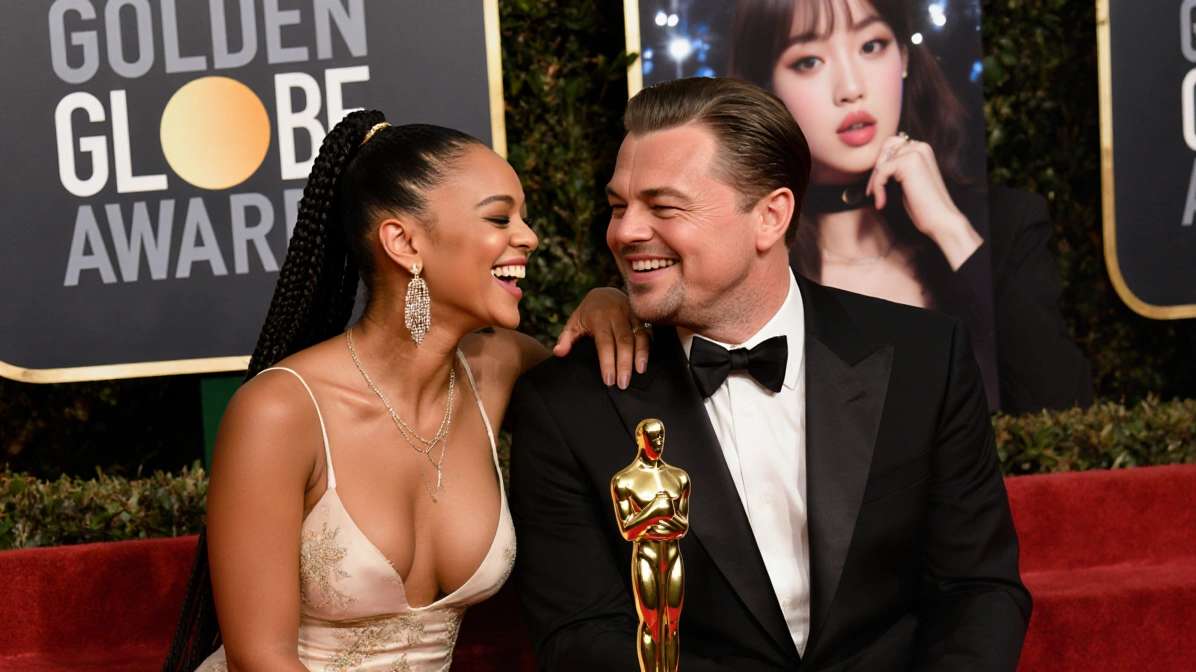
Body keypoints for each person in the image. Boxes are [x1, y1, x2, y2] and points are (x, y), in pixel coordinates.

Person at [507, 77, 1031, 671]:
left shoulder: (925, 357)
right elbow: (581, 637)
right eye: (619, 205)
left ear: (770, 216)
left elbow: (977, 589)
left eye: (664, 206)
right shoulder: (569, 403)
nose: (625, 231)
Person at [161, 112, 649, 671]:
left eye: (524, 217)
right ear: (403, 242)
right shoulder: (280, 411)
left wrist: (608, 299)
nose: (529, 237)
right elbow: (261, 659)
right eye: (499, 217)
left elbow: (599, 406)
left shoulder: (498, 369)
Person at [728, 0, 1093, 413]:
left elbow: (1068, 409)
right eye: (809, 60)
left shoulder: (1005, 225)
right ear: (765, 86)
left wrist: (952, 231)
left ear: (903, 56)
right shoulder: (741, 261)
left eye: (871, 46)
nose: (850, 88)